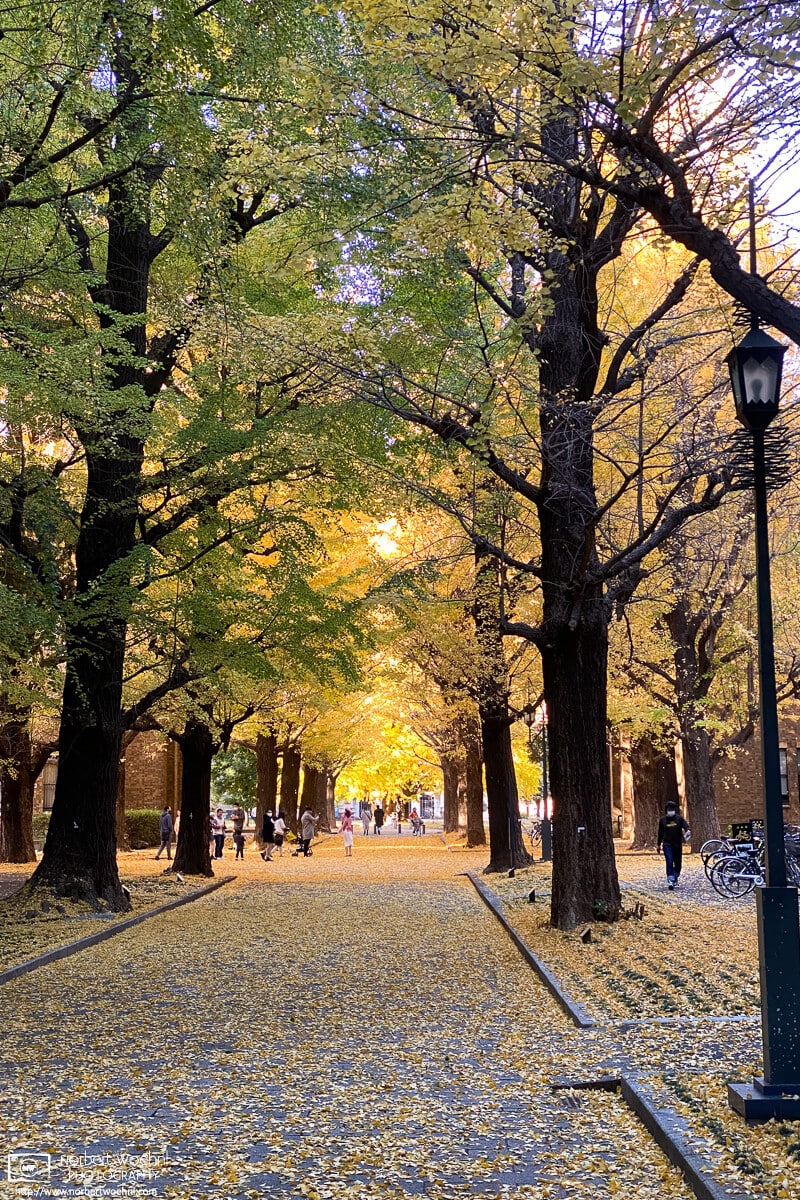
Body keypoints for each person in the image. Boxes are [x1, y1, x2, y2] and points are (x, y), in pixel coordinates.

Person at [657, 801, 691, 890]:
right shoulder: (663, 820)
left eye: (672, 809)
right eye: (669, 809)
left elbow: (686, 826)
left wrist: (687, 831)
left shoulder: (679, 819)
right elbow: (660, 833)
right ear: (666, 810)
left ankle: (675, 876)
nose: (670, 811)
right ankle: (670, 879)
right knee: (669, 861)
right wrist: (658, 845)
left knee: (678, 863)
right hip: (667, 844)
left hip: (677, 844)